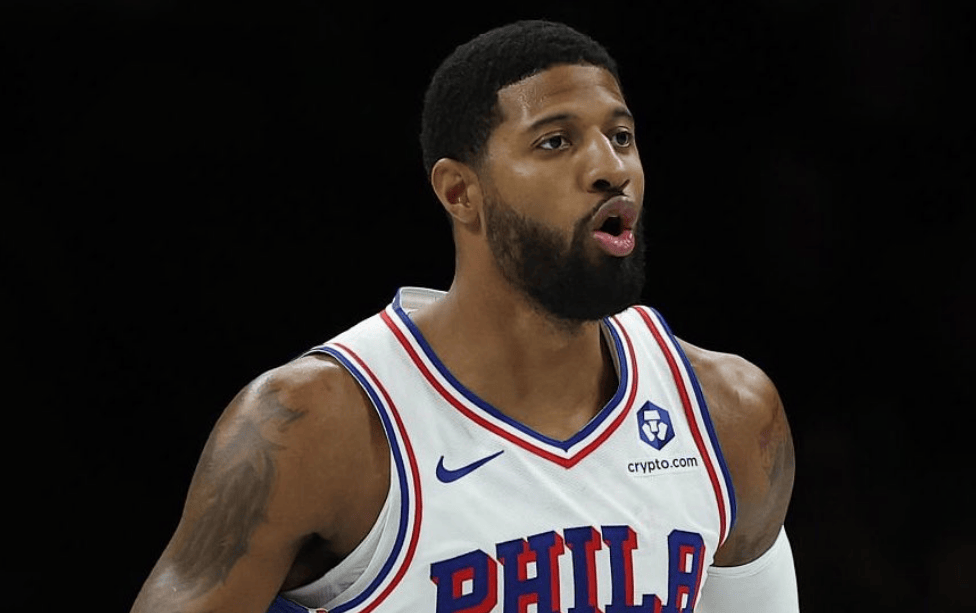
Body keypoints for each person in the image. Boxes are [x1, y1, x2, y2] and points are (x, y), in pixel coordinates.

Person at [131, 19, 797, 613]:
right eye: (555, 141)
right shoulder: (314, 426)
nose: (609, 166)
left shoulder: (729, 415)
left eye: (620, 136)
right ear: (460, 192)